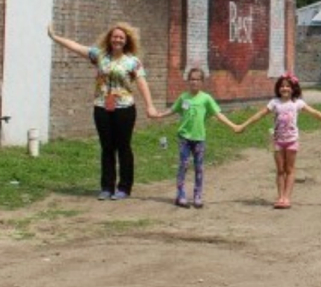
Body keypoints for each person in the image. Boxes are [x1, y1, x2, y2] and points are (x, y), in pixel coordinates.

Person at [47, 22, 157, 200]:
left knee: (123, 147)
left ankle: (124, 187)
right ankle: (107, 187)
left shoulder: (133, 62)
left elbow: (142, 83)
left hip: (125, 109)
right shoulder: (99, 56)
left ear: (126, 40)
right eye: (115, 37)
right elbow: (76, 47)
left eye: (121, 37)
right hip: (102, 107)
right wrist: (54, 37)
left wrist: (150, 105)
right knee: (107, 147)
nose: (117, 40)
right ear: (109, 38)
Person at [236, 73, 321, 209]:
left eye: (287, 86)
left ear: (293, 89)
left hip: (292, 141)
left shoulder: (298, 103)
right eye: (282, 86)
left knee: (289, 169)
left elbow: (315, 113)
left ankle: (287, 198)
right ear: (278, 88)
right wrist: (243, 126)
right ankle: (280, 197)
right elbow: (259, 115)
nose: (284, 89)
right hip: (278, 141)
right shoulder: (274, 103)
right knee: (280, 170)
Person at [149, 67, 240, 208]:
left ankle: (197, 195)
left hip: (199, 139)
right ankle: (180, 195)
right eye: (192, 79)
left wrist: (233, 125)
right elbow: (172, 110)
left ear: (202, 82)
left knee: (199, 168)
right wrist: (158, 115)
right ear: (188, 81)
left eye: (197, 79)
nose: (194, 82)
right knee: (183, 165)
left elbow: (218, 114)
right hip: (184, 137)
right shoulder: (183, 97)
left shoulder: (206, 98)